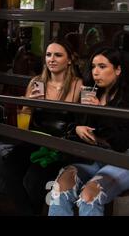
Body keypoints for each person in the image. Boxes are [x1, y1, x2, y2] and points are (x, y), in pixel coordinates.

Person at [4, 39, 82, 215]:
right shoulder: (36, 82)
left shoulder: (78, 85)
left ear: (69, 60)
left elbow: (83, 120)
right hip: (34, 139)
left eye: (58, 55)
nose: (51, 59)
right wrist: (28, 104)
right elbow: (23, 123)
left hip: (59, 146)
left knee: (34, 179)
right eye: (48, 55)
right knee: (9, 169)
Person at [48, 47, 129, 216]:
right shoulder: (90, 92)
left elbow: (122, 143)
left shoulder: (126, 98)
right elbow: (71, 124)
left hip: (121, 160)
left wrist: (102, 110)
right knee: (58, 189)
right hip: (92, 157)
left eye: (102, 66)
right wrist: (77, 128)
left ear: (118, 69)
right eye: (93, 67)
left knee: (89, 195)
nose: (96, 72)